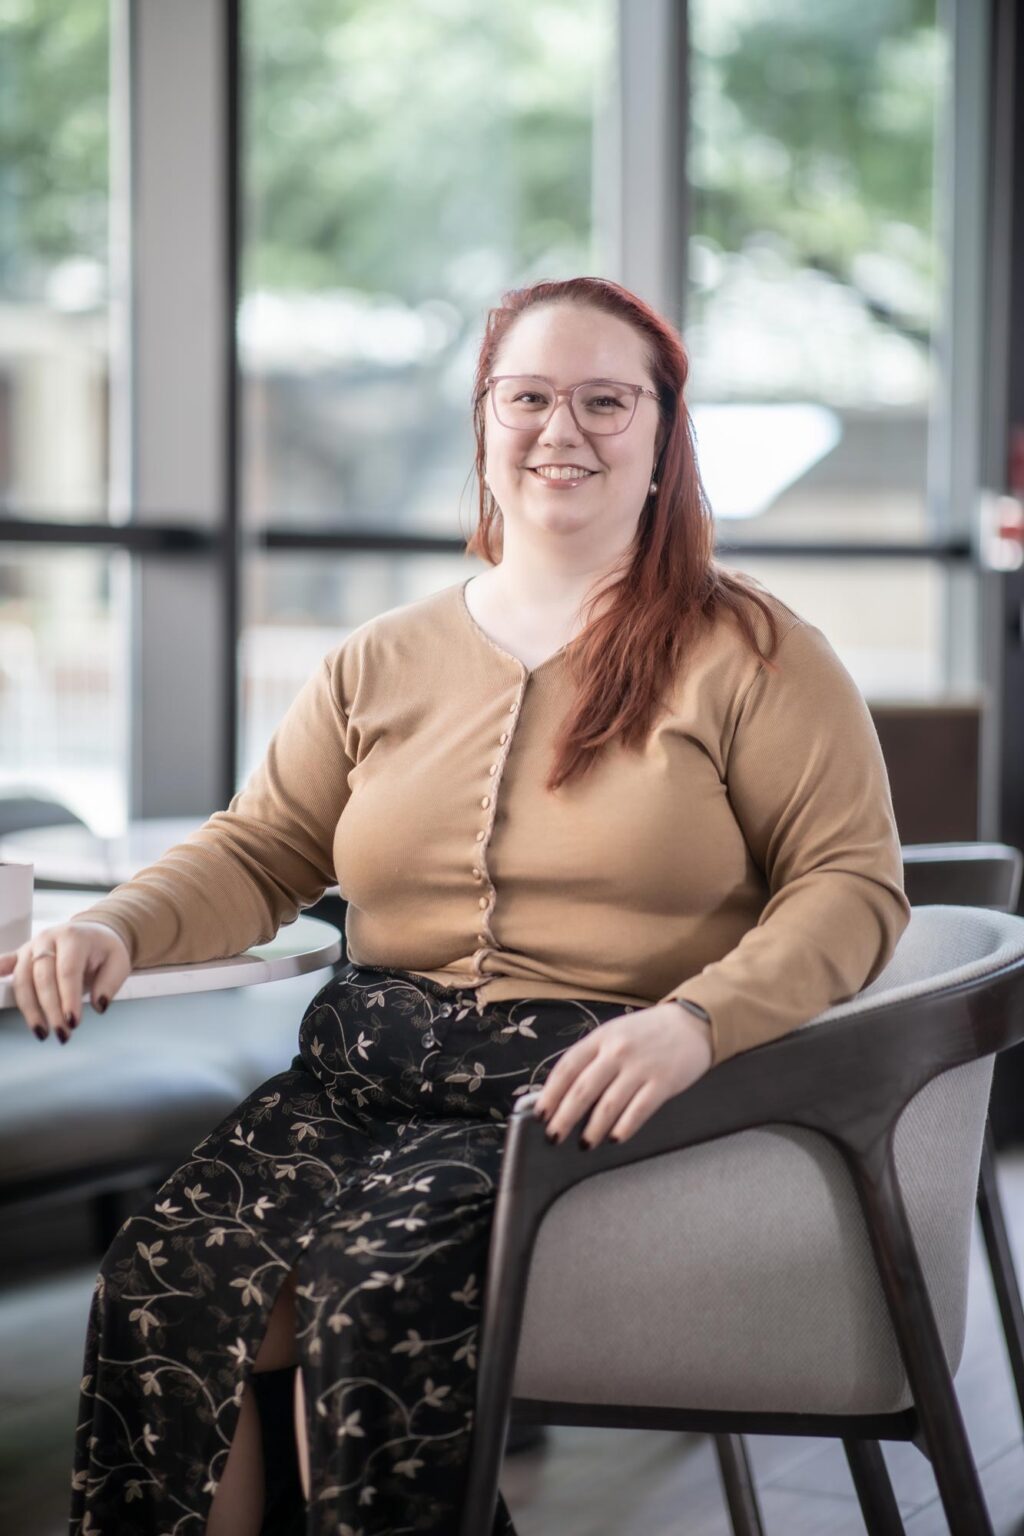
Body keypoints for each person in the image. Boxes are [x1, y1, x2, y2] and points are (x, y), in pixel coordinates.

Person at [0, 275, 910, 1536]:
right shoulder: (376, 657)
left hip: (593, 1085)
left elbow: (852, 884)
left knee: (366, 1294)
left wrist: (695, 1020)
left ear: (662, 436)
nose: (562, 430)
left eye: (605, 401)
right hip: (362, 1075)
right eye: (528, 397)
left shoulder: (757, 652)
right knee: (164, 1279)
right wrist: (113, 927)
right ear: (485, 423)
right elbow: (261, 849)